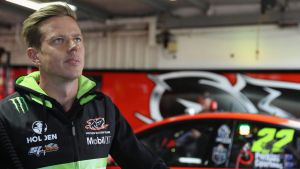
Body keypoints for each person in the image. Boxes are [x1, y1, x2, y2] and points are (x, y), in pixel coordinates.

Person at [0, 4, 169, 169]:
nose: (73, 46)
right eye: (59, 40)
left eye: (77, 38)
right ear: (35, 56)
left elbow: (145, 163)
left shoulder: (102, 108)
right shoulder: (8, 115)